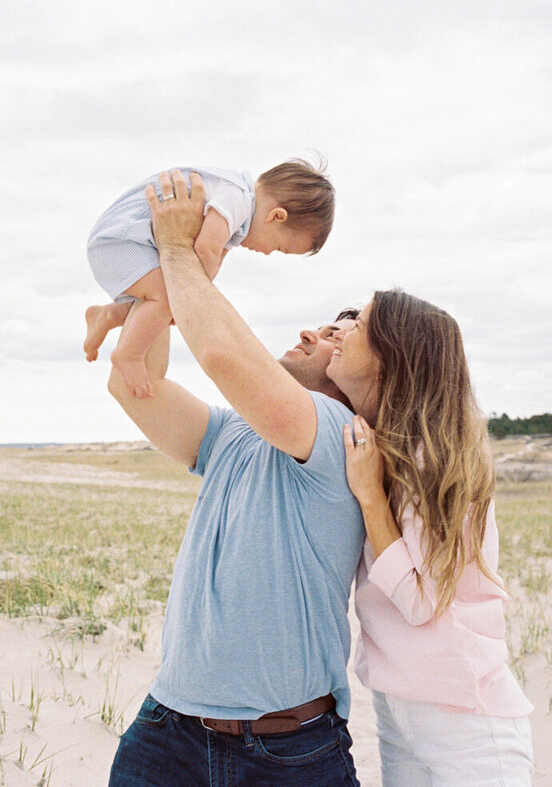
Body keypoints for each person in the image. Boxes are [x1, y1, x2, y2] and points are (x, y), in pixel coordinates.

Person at [104, 170, 363, 786]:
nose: (307, 332)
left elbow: (220, 352)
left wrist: (173, 247)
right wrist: (152, 307)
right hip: (167, 730)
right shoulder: (233, 435)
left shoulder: (335, 433)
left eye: (331, 337)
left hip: (284, 753)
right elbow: (135, 389)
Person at [333, 291, 535, 786]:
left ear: (390, 357)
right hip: (401, 712)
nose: (340, 329)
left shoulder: (430, 461)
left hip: (468, 722)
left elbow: (421, 603)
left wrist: (370, 498)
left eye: (357, 324)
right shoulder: (384, 450)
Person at [84, 160, 334, 399]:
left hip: (126, 242)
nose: (269, 253)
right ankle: (129, 355)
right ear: (276, 216)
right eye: (279, 247)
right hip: (120, 241)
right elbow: (206, 250)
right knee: (165, 299)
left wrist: (191, 295)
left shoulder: (237, 212)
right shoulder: (236, 199)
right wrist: (192, 300)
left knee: (161, 299)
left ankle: (110, 315)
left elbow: (214, 258)